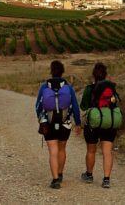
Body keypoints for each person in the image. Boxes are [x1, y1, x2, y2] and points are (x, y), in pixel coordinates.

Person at [35, 60, 81, 189]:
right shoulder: (68, 87)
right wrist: (78, 123)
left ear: (51, 71)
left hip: (48, 124)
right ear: (62, 72)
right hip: (65, 123)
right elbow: (75, 107)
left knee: (53, 151)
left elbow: (37, 106)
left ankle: (55, 180)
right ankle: (60, 174)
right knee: (62, 149)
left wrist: (42, 120)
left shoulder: (44, 87)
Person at [80, 62, 118, 188]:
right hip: (109, 122)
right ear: (106, 74)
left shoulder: (89, 89)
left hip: (93, 123)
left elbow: (83, 106)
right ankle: (106, 179)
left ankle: (89, 175)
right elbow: (115, 104)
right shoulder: (111, 88)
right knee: (107, 151)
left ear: (94, 75)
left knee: (91, 150)